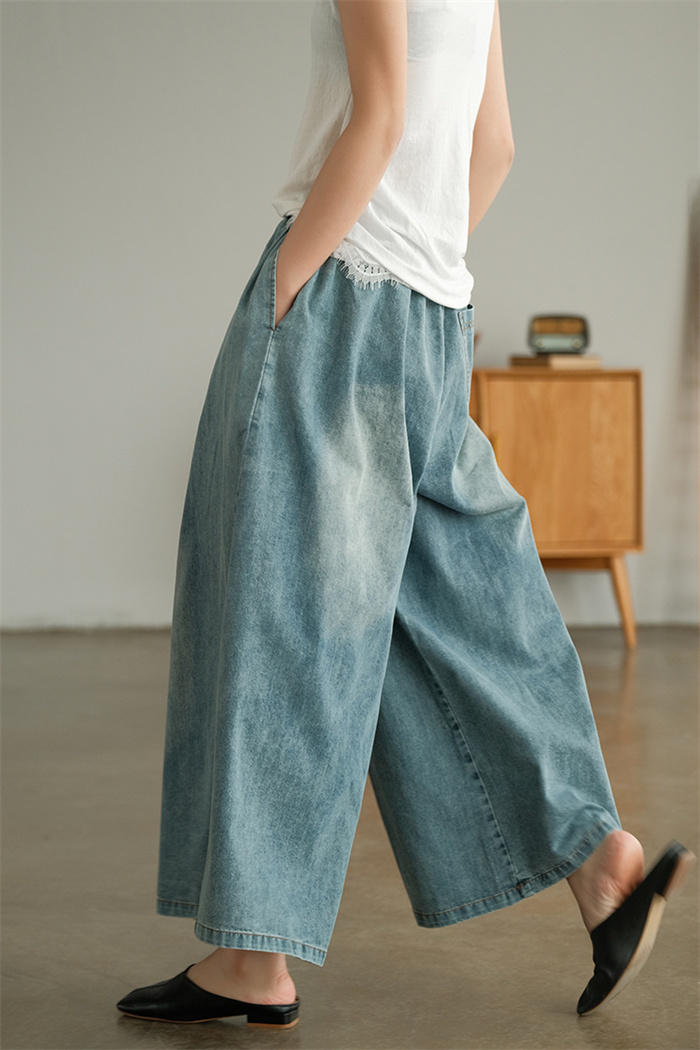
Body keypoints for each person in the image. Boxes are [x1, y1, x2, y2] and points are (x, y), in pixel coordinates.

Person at [116, 0, 694, 1030]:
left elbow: (378, 117)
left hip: (340, 297)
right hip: (434, 309)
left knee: (286, 621)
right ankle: (597, 859)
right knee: (469, 608)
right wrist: (426, 272)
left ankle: (253, 959)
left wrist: (289, 285)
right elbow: (494, 144)